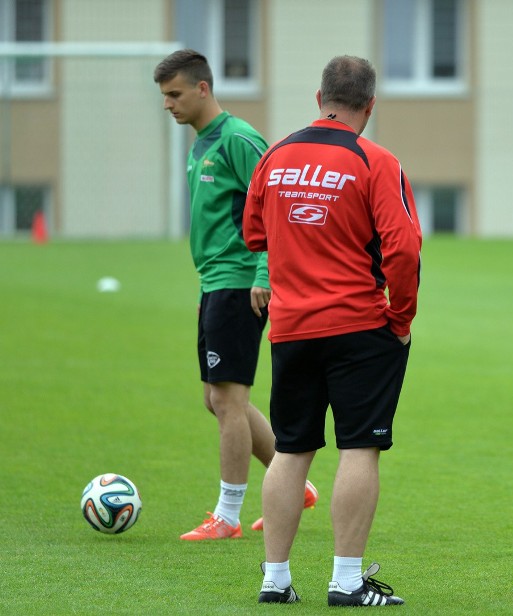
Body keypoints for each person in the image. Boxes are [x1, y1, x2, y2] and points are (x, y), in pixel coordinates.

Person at [243, 55, 422, 606]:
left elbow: (254, 234)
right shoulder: (376, 159)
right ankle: (346, 581)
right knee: (358, 449)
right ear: (370, 105)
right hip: (360, 325)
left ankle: (275, 580)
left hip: (292, 329)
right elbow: (405, 247)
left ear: (318, 97)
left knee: (292, 451)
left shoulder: (275, 156)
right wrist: (402, 317)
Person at [153, 49, 317, 541]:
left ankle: (227, 517)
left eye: (175, 94)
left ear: (203, 88)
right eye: (164, 96)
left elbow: (273, 207)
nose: (169, 105)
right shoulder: (201, 142)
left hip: (240, 279)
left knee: (228, 398)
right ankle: (298, 485)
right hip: (214, 280)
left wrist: (263, 272)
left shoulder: (239, 139)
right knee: (216, 397)